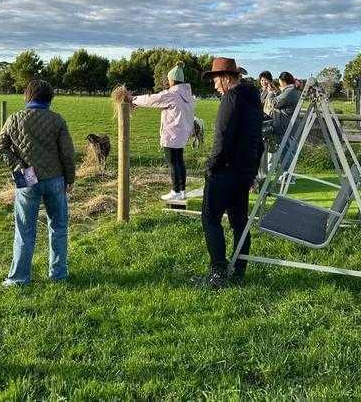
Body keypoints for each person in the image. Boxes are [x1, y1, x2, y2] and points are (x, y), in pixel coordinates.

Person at [0, 79, 75, 286]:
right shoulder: (57, 120)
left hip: (26, 178)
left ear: (27, 96)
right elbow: (67, 154)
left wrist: (19, 165)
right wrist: (70, 178)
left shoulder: (14, 119)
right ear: (50, 98)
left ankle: (19, 278)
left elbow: (0, 147)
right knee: (58, 227)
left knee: (24, 229)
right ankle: (58, 274)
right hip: (55, 178)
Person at [196, 57, 264, 289]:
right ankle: (238, 271)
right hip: (244, 171)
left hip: (225, 171)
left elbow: (222, 138)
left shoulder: (231, 98)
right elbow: (259, 140)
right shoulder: (253, 99)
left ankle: (217, 273)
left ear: (225, 78)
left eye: (215, 80)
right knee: (239, 223)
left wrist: (211, 166)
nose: (214, 86)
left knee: (210, 218)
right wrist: (252, 170)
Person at [129, 62, 194, 201]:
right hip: (182, 134)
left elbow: (152, 99)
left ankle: (175, 191)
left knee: (173, 162)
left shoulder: (172, 94)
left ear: (172, 80)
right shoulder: (187, 95)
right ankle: (182, 190)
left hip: (171, 135)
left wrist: (133, 99)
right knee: (179, 161)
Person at [265, 71, 302, 141]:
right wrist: (275, 92)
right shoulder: (294, 90)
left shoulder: (290, 91)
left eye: (280, 82)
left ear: (284, 82)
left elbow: (274, 103)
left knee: (284, 149)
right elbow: (282, 101)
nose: (280, 84)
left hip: (284, 126)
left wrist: (270, 92)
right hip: (288, 125)